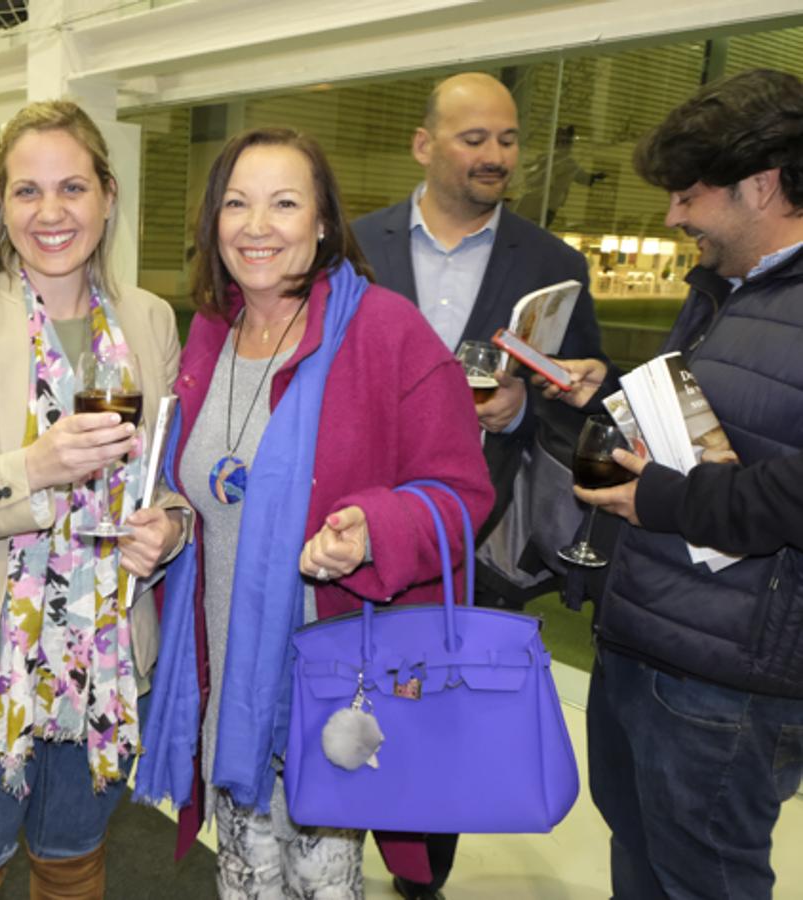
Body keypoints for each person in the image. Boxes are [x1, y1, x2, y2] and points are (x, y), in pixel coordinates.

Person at [133, 127, 493, 900]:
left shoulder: (384, 331)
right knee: (242, 877)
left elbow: (461, 491)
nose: (255, 226)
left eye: (283, 203)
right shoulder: (209, 331)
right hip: (223, 675)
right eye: (236, 203)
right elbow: (190, 483)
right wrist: (166, 522)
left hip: (330, 681)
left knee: (318, 884)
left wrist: (371, 528)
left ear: (324, 222)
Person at [0, 99, 187, 899]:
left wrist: (169, 530)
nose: (50, 212)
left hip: (108, 652)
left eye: (71, 188)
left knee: (72, 861)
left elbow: (168, 486)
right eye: (26, 191)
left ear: (107, 196)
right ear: (0, 205)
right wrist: (32, 467)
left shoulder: (151, 320)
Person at [539, 68, 803, 900]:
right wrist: (605, 392)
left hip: (724, 683)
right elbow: (715, 426)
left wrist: (658, 499)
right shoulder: (729, 289)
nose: (671, 216)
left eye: (688, 195)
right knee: (643, 867)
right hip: (649, 638)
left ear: (759, 185)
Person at [351, 74, 607, 896]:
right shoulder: (351, 248)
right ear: (424, 146)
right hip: (353, 518)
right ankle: (327, 847)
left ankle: (423, 874)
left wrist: (528, 405)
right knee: (339, 689)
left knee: (441, 715)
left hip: (476, 535)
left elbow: (580, 406)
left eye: (506, 140)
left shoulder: (555, 265)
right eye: (473, 139)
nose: (494, 155)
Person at [511, 124, 606, 227]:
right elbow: (531, 171)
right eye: (559, 141)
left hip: (546, 207)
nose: (561, 144)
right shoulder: (547, 158)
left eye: (564, 142)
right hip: (535, 203)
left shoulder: (568, 163)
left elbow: (582, 177)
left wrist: (593, 177)